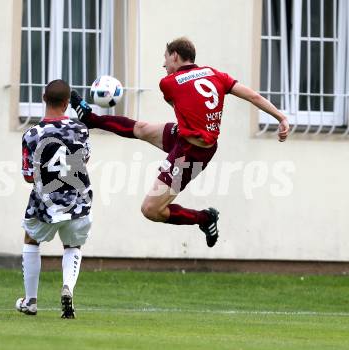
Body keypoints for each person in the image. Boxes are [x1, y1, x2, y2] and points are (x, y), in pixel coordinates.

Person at [70, 37, 289, 248]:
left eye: (165, 58)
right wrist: (281, 117)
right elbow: (253, 97)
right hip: (187, 137)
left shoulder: (168, 83)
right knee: (142, 129)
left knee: (150, 209)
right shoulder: (215, 74)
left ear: (175, 56)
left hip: (190, 153)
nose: (163, 64)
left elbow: (180, 99)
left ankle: (204, 218)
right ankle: (91, 120)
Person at [16, 79, 92, 319]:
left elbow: (29, 177)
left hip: (45, 205)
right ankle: (68, 286)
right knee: (72, 245)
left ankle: (30, 301)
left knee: (31, 239)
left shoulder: (31, 134)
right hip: (77, 202)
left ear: (42, 98)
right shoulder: (80, 129)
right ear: (67, 103)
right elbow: (84, 160)